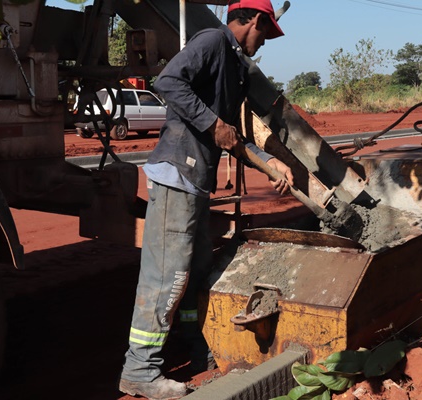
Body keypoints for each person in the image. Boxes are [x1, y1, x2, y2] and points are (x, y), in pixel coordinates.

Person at [118, 1, 293, 399]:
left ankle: (197, 350)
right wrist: (213, 124)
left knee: (194, 272)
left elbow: (233, 137)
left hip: (195, 182)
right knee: (167, 276)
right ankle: (139, 368)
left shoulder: (235, 68)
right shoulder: (214, 41)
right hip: (177, 173)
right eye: (265, 31)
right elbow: (168, 81)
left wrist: (271, 164)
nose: (265, 39)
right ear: (255, 20)